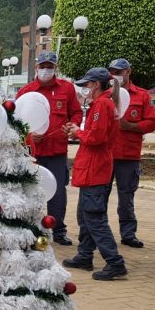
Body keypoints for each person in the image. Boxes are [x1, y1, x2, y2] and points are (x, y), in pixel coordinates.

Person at [63, 68, 127, 281]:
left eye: (87, 85)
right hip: (94, 166)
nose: (85, 89)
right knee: (85, 215)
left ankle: (115, 262)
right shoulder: (105, 104)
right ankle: (84, 255)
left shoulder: (102, 105)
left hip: (95, 167)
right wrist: (77, 131)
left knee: (94, 217)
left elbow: (96, 137)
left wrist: (77, 132)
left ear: (96, 85)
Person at [17, 52, 82, 245]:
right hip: (32, 154)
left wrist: (72, 126)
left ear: (55, 67)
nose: (46, 70)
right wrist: (29, 135)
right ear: (36, 67)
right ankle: (30, 228)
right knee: (29, 191)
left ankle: (58, 230)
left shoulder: (66, 89)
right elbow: (16, 122)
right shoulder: (26, 92)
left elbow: (76, 113)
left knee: (57, 193)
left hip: (56, 152)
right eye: (42, 66)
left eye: (50, 66)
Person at [106, 58, 155, 248]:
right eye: (113, 72)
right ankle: (96, 232)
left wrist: (132, 126)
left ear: (129, 72)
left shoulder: (142, 96)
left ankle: (128, 234)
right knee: (100, 196)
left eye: (120, 71)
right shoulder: (106, 94)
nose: (116, 75)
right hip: (106, 154)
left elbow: (152, 122)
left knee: (126, 197)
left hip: (128, 155)